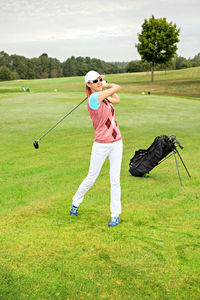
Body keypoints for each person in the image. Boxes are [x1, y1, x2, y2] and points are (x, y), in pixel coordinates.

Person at [70, 70, 123, 226]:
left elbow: (117, 99)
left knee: (115, 179)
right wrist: (107, 85)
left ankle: (115, 214)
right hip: (101, 144)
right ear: (88, 85)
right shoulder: (94, 98)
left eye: (100, 79)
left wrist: (102, 85)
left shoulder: (104, 97)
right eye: (95, 81)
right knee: (92, 177)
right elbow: (117, 87)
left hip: (117, 142)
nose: (99, 82)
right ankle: (76, 201)